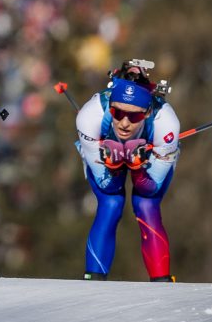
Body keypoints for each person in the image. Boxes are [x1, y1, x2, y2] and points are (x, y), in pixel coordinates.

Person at [74, 60, 181, 282]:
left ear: (148, 112)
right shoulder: (90, 116)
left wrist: (137, 167)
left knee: (146, 204)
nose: (124, 123)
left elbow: (151, 189)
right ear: (109, 105)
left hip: (148, 156)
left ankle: (161, 282)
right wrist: (113, 165)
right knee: (111, 202)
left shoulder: (166, 123)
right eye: (117, 112)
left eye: (134, 116)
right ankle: (93, 279)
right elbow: (107, 186)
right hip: (106, 151)